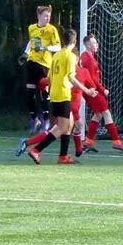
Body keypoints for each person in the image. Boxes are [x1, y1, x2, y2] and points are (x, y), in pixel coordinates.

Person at [18, 29, 97, 165]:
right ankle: (36, 150)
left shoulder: (56, 55)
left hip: (54, 94)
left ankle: (63, 156)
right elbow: (71, 77)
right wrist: (87, 90)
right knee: (62, 128)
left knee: (69, 123)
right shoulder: (70, 56)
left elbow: (49, 77)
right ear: (75, 41)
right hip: (63, 94)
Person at [18, 5, 61, 135]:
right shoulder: (32, 28)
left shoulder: (52, 29)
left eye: (49, 16)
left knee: (44, 94)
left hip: (45, 65)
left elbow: (58, 47)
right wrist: (25, 54)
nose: (48, 18)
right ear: (38, 16)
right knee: (30, 93)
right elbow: (31, 43)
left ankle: (46, 121)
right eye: (45, 16)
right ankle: (34, 119)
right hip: (32, 63)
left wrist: (44, 48)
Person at [81, 34, 123, 152]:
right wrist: (102, 89)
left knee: (99, 114)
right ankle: (116, 142)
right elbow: (92, 79)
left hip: (91, 90)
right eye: (95, 43)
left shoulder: (88, 56)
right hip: (92, 91)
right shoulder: (88, 58)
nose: (97, 45)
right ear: (89, 45)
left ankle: (88, 141)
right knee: (106, 113)